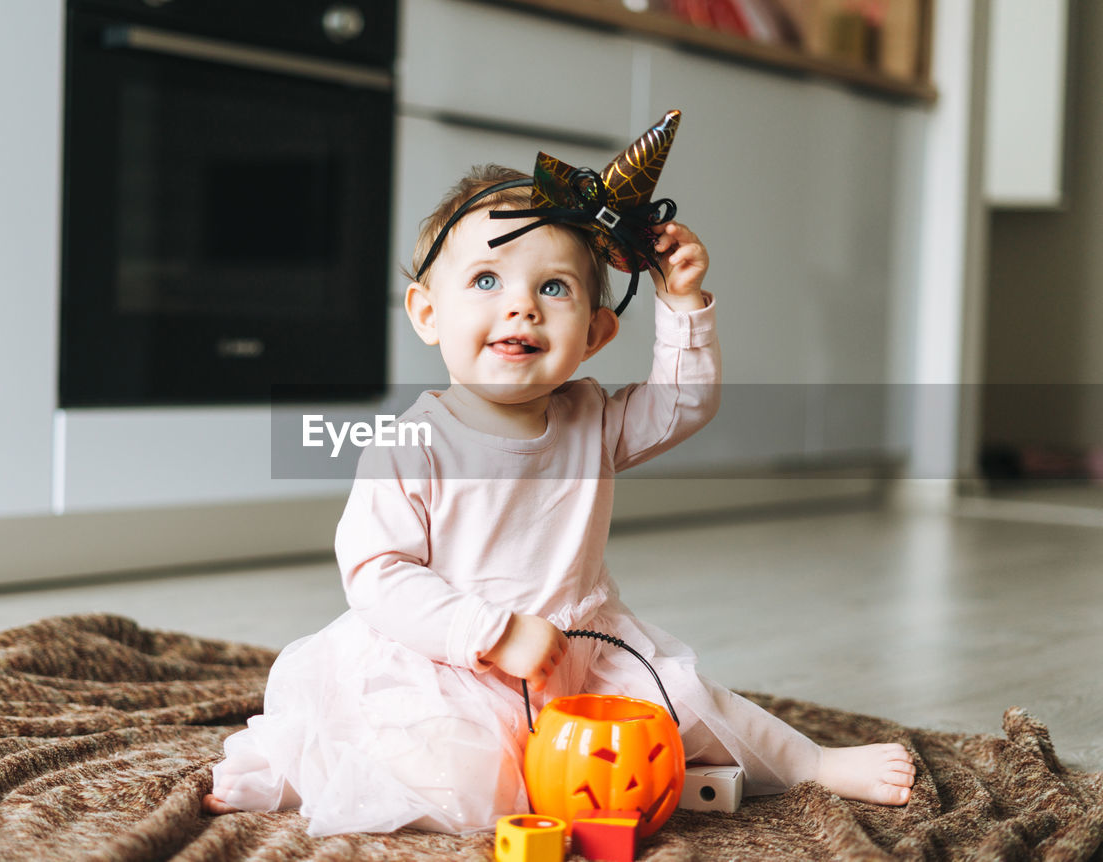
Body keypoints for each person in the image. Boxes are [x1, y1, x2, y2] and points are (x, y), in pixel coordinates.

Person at [205, 117, 915, 835]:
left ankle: (811, 763)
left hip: (581, 651)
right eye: (486, 280)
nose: (520, 306)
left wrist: (683, 303)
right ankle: (298, 770)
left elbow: (683, 403)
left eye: (553, 288)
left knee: (691, 700)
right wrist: (490, 632)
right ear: (427, 312)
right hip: (450, 659)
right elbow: (376, 573)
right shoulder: (408, 441)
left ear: (596, 335)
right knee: (455, 773)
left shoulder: (592, 418)